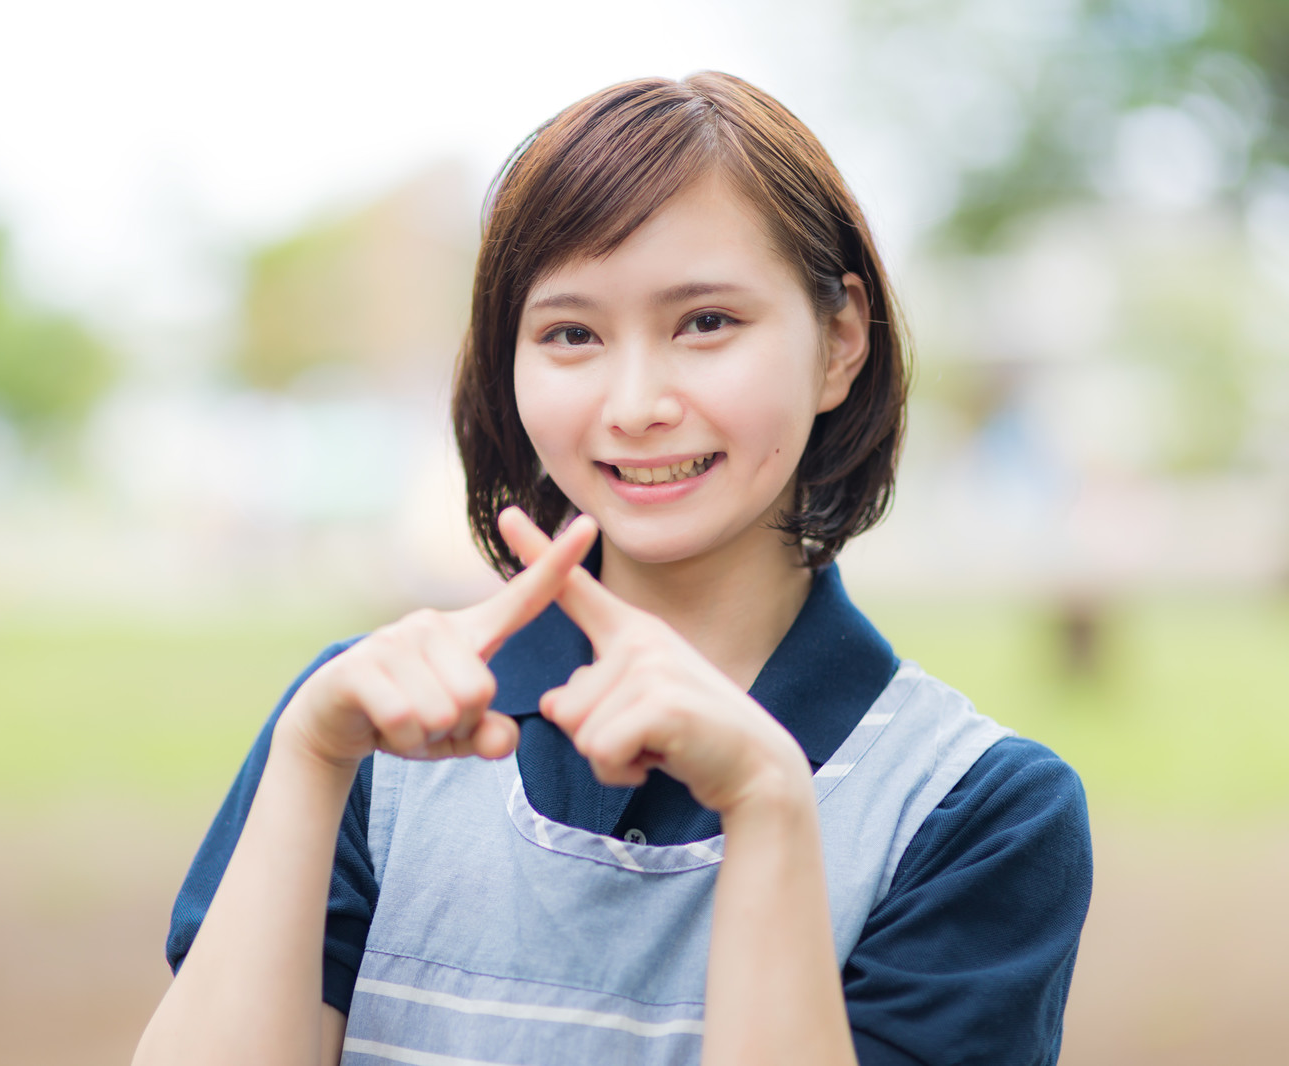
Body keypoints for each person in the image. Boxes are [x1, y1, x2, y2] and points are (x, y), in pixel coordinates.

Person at [134, 72, 1093, 1066]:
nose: (634, 402)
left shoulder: (974, 810)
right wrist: (307, 758)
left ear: (840, 341)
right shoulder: (371, 734)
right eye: (571, 334)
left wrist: (767, 805)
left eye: (706, 321)